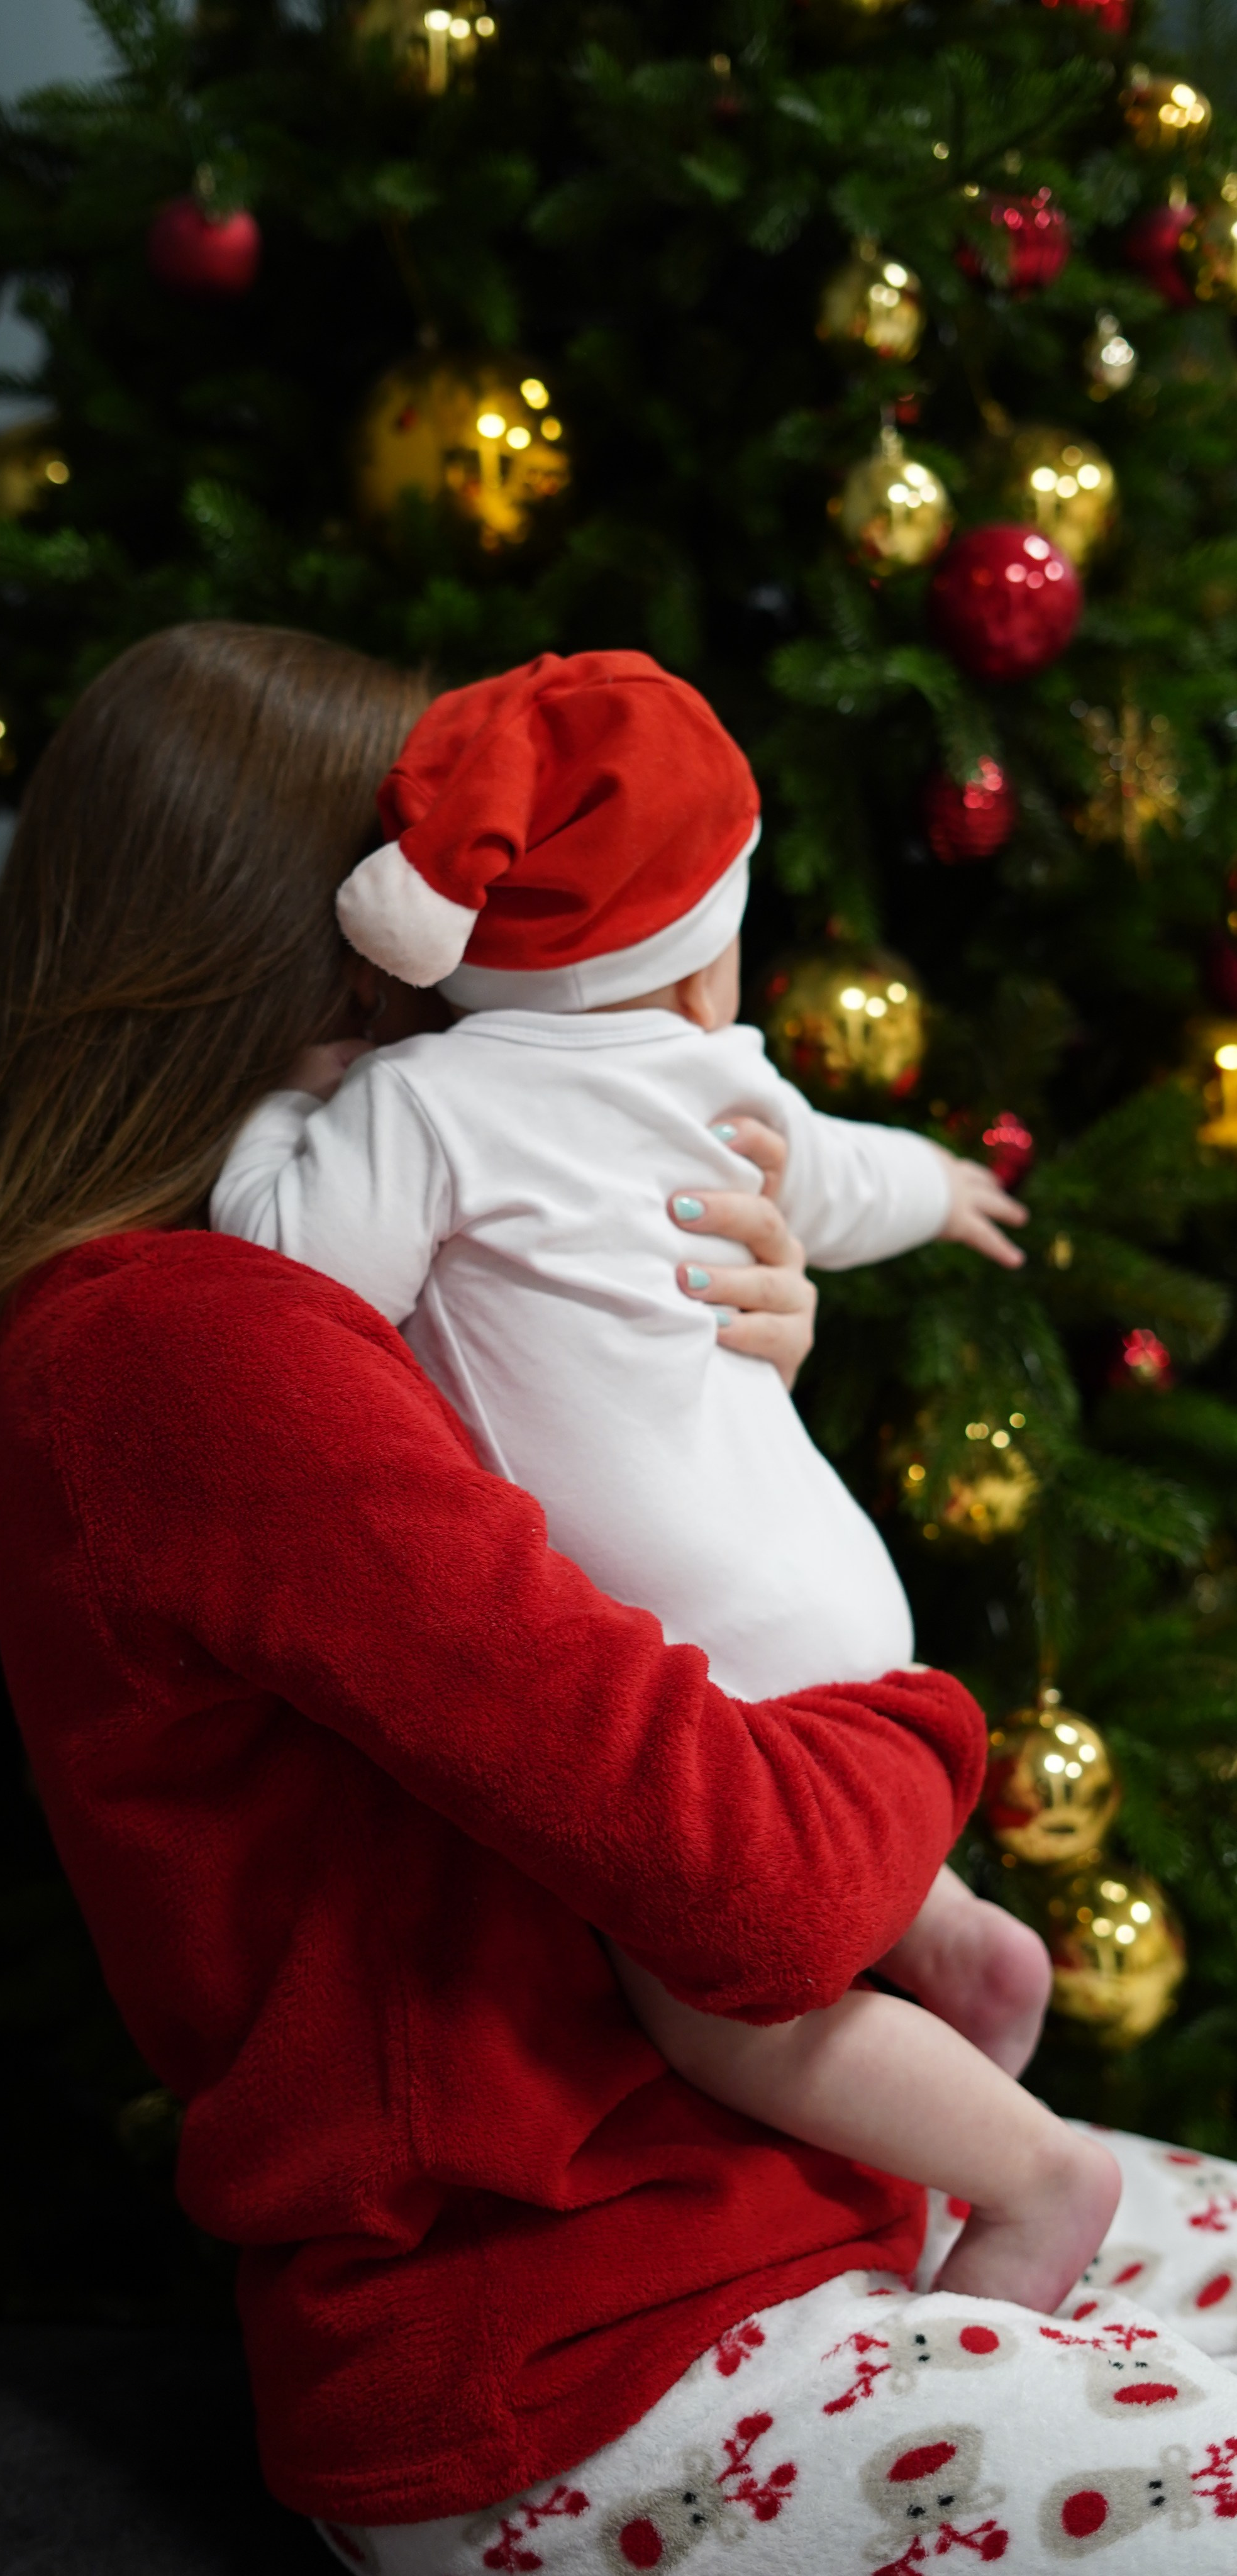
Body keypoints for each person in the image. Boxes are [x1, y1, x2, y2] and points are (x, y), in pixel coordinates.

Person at [0, 622, 1237, 2573]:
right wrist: (919, 1731)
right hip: (585, 2358)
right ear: (341, 945)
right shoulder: (189, 1345)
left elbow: (542, 1573)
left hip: (768, 2217)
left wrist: (710, 1386)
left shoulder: (308, 1291)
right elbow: (759, 1886)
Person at [209, 648, 1116, 2313]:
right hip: (836, 1587)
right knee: (818, 1815)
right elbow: (838, 1186)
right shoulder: (728, 1084)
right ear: (705, 969)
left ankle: (1037, 2176)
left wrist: (281, 1114)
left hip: (692, 1634)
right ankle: (943, 1927)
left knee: (708, 2000)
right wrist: (936, 1180)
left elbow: (285, 1272)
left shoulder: (426, 1104)